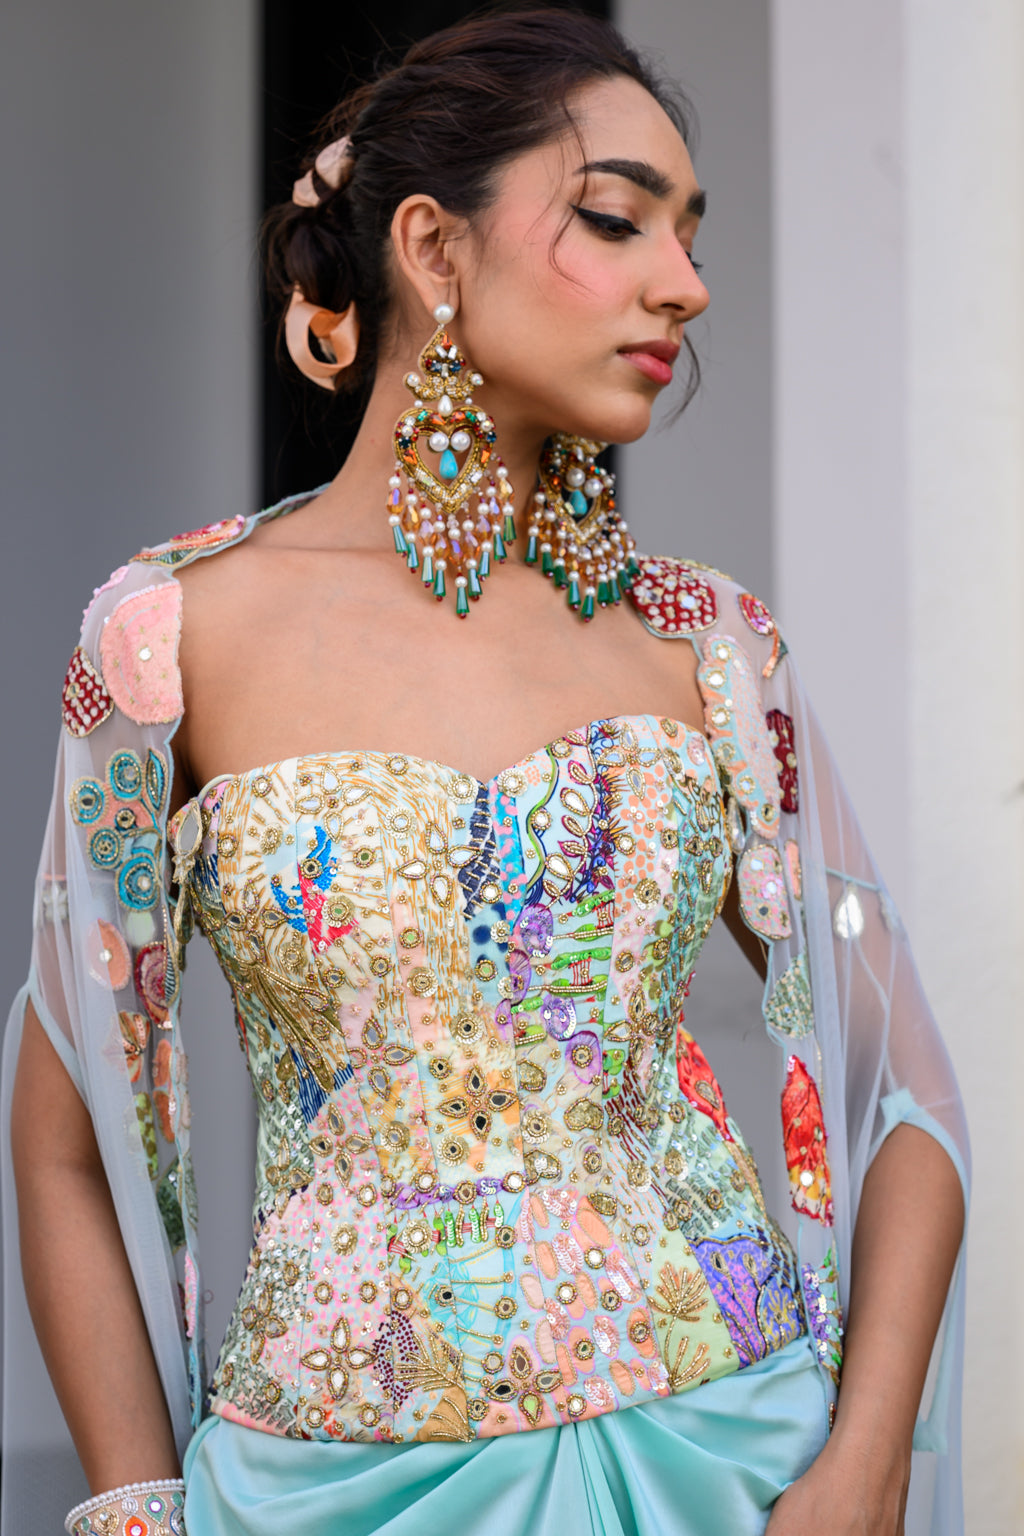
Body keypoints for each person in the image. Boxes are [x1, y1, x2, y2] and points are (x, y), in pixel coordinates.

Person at [2, 10, 968, 1536]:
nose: (687, 283)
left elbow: (908, 1096)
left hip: (726, 1461)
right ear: (433, 249)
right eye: (618, 218)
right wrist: (136, 1508)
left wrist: (861, 1470)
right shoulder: (168, 639)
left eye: (693, 232)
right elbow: (60, 1141)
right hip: (329, 1488)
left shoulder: (709, 648)